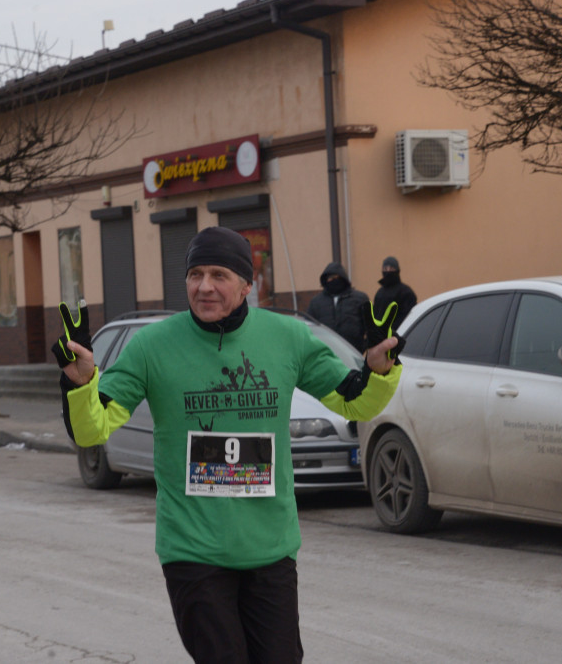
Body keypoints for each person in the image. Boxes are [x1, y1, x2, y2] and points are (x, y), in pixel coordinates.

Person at [54, 226, 402, 664]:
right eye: (195, 274)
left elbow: (353, 401)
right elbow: (93, 430)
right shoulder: (151, 346)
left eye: (218, 275)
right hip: (193, 549)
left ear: (246, 285)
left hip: (269, 548)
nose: (204, 287)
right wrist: (83, 382)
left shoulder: (287, 338)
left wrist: (378, 369)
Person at [306, 262, 370, 352]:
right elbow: (308, 329)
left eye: (336, 277)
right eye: (330, 278)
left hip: (353, 354)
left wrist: (363, 346)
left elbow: (372, 327)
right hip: (325, 354)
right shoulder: (316, 302)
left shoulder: (360, 299)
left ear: (343, 278)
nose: (333, 280)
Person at [373, 256, 417, 332]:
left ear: (397, 270)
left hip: (399, 335)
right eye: (385, 268)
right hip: (379, 336)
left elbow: (407, 316)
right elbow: (375, 315)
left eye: (391, 268)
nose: (388, 271)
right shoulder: (380, 292)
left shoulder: (405, 292)